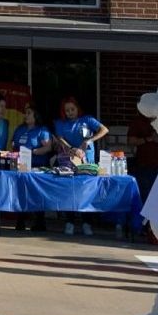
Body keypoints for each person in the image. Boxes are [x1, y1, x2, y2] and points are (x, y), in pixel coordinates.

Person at [53, 97, 107, 235]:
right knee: (69, 191)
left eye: (72, 109)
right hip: (68, 161)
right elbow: (60, 138)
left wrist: (89, 141)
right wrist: (71, 148)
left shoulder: (87, 120)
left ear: (77, 109)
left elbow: (104, 129)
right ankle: (69, 221)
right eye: (67, 110)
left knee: (86, 191)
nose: (70, 112)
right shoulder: (60, 123)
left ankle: (86, 222)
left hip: (86, 162)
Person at [11, 105, 54, 231]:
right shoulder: (20, 129)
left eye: (29, 113)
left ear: (36, 116)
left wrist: (33, 152)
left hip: (38, 166)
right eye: (26, 113)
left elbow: (48, 147)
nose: (26, 115)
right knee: (21, 193)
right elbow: (14, 144)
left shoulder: (42, 130)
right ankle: (20, 221)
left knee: (37, 193)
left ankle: (39, 222)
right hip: (22, 166)